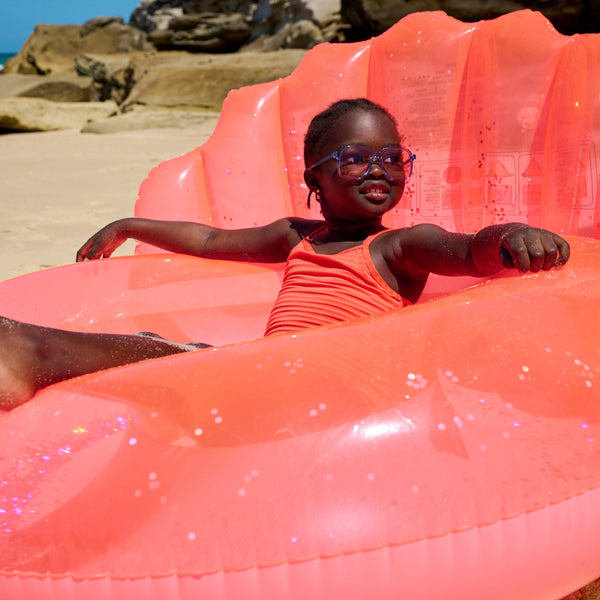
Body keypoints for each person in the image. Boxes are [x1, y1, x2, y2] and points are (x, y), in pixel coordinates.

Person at [0, 98, 569, 410]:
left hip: (328, 387)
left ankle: (25, 352)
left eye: (392, 159)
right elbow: (209, 240)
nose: (378, 170)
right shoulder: (297, 236)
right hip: (271, 372)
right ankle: (22, 347)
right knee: (171, 351)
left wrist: (512, 233)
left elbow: (467, 252)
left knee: (170, 354)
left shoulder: (400, 245)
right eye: (355, 158)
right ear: (314, 179)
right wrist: (129, 225)